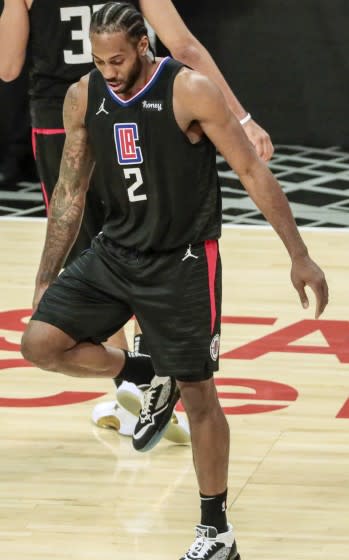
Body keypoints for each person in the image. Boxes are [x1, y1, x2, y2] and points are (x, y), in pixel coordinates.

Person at [20, 3, 328, 557]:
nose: (108, 71)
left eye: (117, 59)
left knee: (200, 394)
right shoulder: (82, 96)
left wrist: (299, 255)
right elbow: (68, 195)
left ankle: (217, 531)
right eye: (98, 60)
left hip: (182, 259)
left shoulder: (191, 91)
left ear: (144, 46)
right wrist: (45, 277)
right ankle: (142, 369)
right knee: (40, 342)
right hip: (116, 252)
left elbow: (253, 172)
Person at [0, 0, 274, 444]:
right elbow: (185, 45)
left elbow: (8, 67)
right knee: (128, 248)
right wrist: (242, 116)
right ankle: (150, 388)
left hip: (74, 119)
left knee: (105, 257)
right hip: (103, 119)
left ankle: (140, 390)